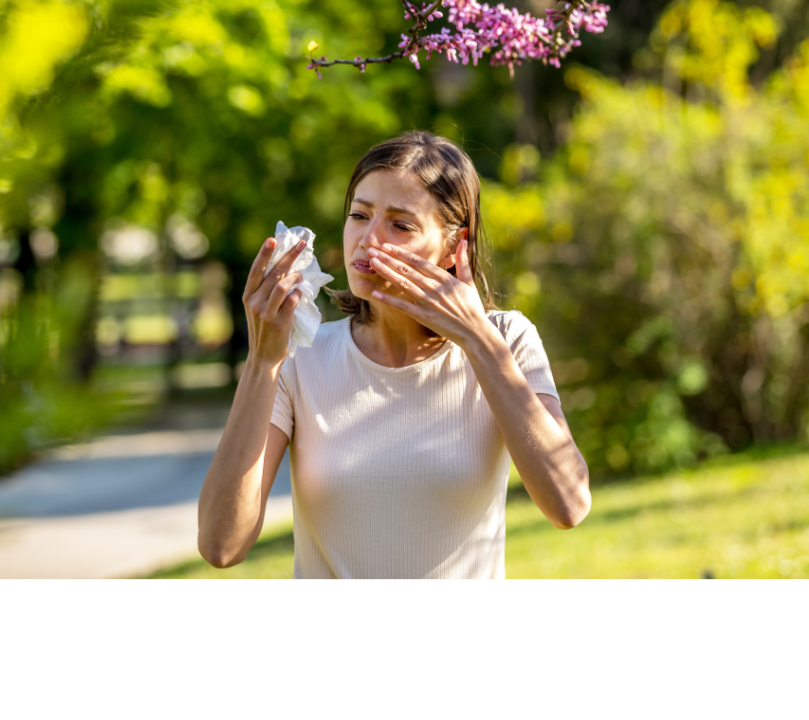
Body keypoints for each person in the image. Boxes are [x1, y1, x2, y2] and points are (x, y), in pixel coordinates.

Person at [198, 132, 590, 580]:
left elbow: (569, 505)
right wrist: (262, 362)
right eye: (359, 215)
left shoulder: (506, 340)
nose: (367, 238)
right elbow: (220, 545)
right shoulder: (301, 359)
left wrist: (479, 341)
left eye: (400, 224)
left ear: (452, 247)